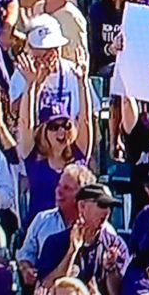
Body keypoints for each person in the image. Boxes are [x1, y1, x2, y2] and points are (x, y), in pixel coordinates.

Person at [35, 183, 127, 295]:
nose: (107, 211)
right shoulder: (56, 242)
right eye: (102, 205)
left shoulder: (114, 244)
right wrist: (72, 252)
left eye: (110, 206)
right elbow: (47, 287)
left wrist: (111, 269)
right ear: (82, 206)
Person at [17, 95, 93, 228]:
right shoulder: (33, 156)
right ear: (43, 131)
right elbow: (25, 122)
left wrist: (83, 84)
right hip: (39, 230)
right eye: (54, 126)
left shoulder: (78, 155)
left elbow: (85, 120)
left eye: (66, 125)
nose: (61, 131)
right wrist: (30, 86)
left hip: (73, 228)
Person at [16, 164, 97, 287]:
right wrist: (26, 269)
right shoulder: (42, 220)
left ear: (82, 195)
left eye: (67, 188)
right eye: (59, 185)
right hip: (45, 294)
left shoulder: (99, 227)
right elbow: (26, 253)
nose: (59, 191)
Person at [90, 0, 142, 77]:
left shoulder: (137, 8)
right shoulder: (97, 10)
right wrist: (110, 49)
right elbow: (95, 48)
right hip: (108, 67)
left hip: (134, 67)